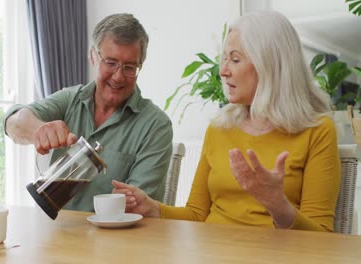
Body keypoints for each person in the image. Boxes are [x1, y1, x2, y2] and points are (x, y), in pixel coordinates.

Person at [112, 11, 341, 232]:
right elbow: (197, 214)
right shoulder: (219, 128)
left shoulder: (317, 130)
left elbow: (320, 237)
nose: (223, 71)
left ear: (269, 64)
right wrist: (154, 209)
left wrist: (277, 205)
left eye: (235, 59)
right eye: (224, 59)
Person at [4, 13, 173, 212]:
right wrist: (39, 130)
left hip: (116, 239)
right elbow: (12, 122)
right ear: (93, 56)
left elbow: (140, 209)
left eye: (129, 67)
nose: (118, 77)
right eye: (111, 63)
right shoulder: (69, 100)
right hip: (55, 232)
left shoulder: (155, 125)